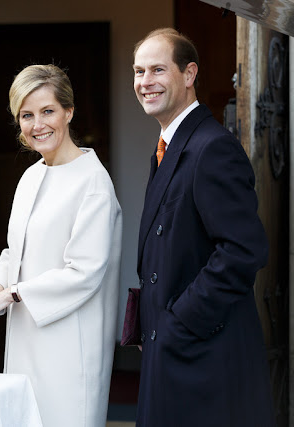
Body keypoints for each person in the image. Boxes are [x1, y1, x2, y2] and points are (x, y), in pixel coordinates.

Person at [0, 64, 122, 427]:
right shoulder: (31, 175)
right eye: (27, 115)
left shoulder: (94, 182)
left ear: (69, 111)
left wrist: (13, 293)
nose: (38, 125)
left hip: (69, 345)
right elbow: (14, 251)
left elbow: (84, 272)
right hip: (26, 338)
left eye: (48, 111)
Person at [132, 28, 276, 426]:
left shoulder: (212, 147)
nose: (145, 82)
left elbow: (243, 250)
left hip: (203, 359)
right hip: (176, 354)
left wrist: (177, 324)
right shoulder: (169, 146)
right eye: (139, 71)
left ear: (189, 73)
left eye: (158, 70)